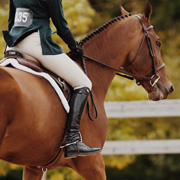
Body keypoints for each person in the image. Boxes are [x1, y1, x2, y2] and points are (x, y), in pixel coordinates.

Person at [3, 0, 101, 158]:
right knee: (83, 83)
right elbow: (61, 25)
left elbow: (12, 21)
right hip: (35, 44)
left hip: (12, 45)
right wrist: (73, 46)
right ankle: (72, 140)